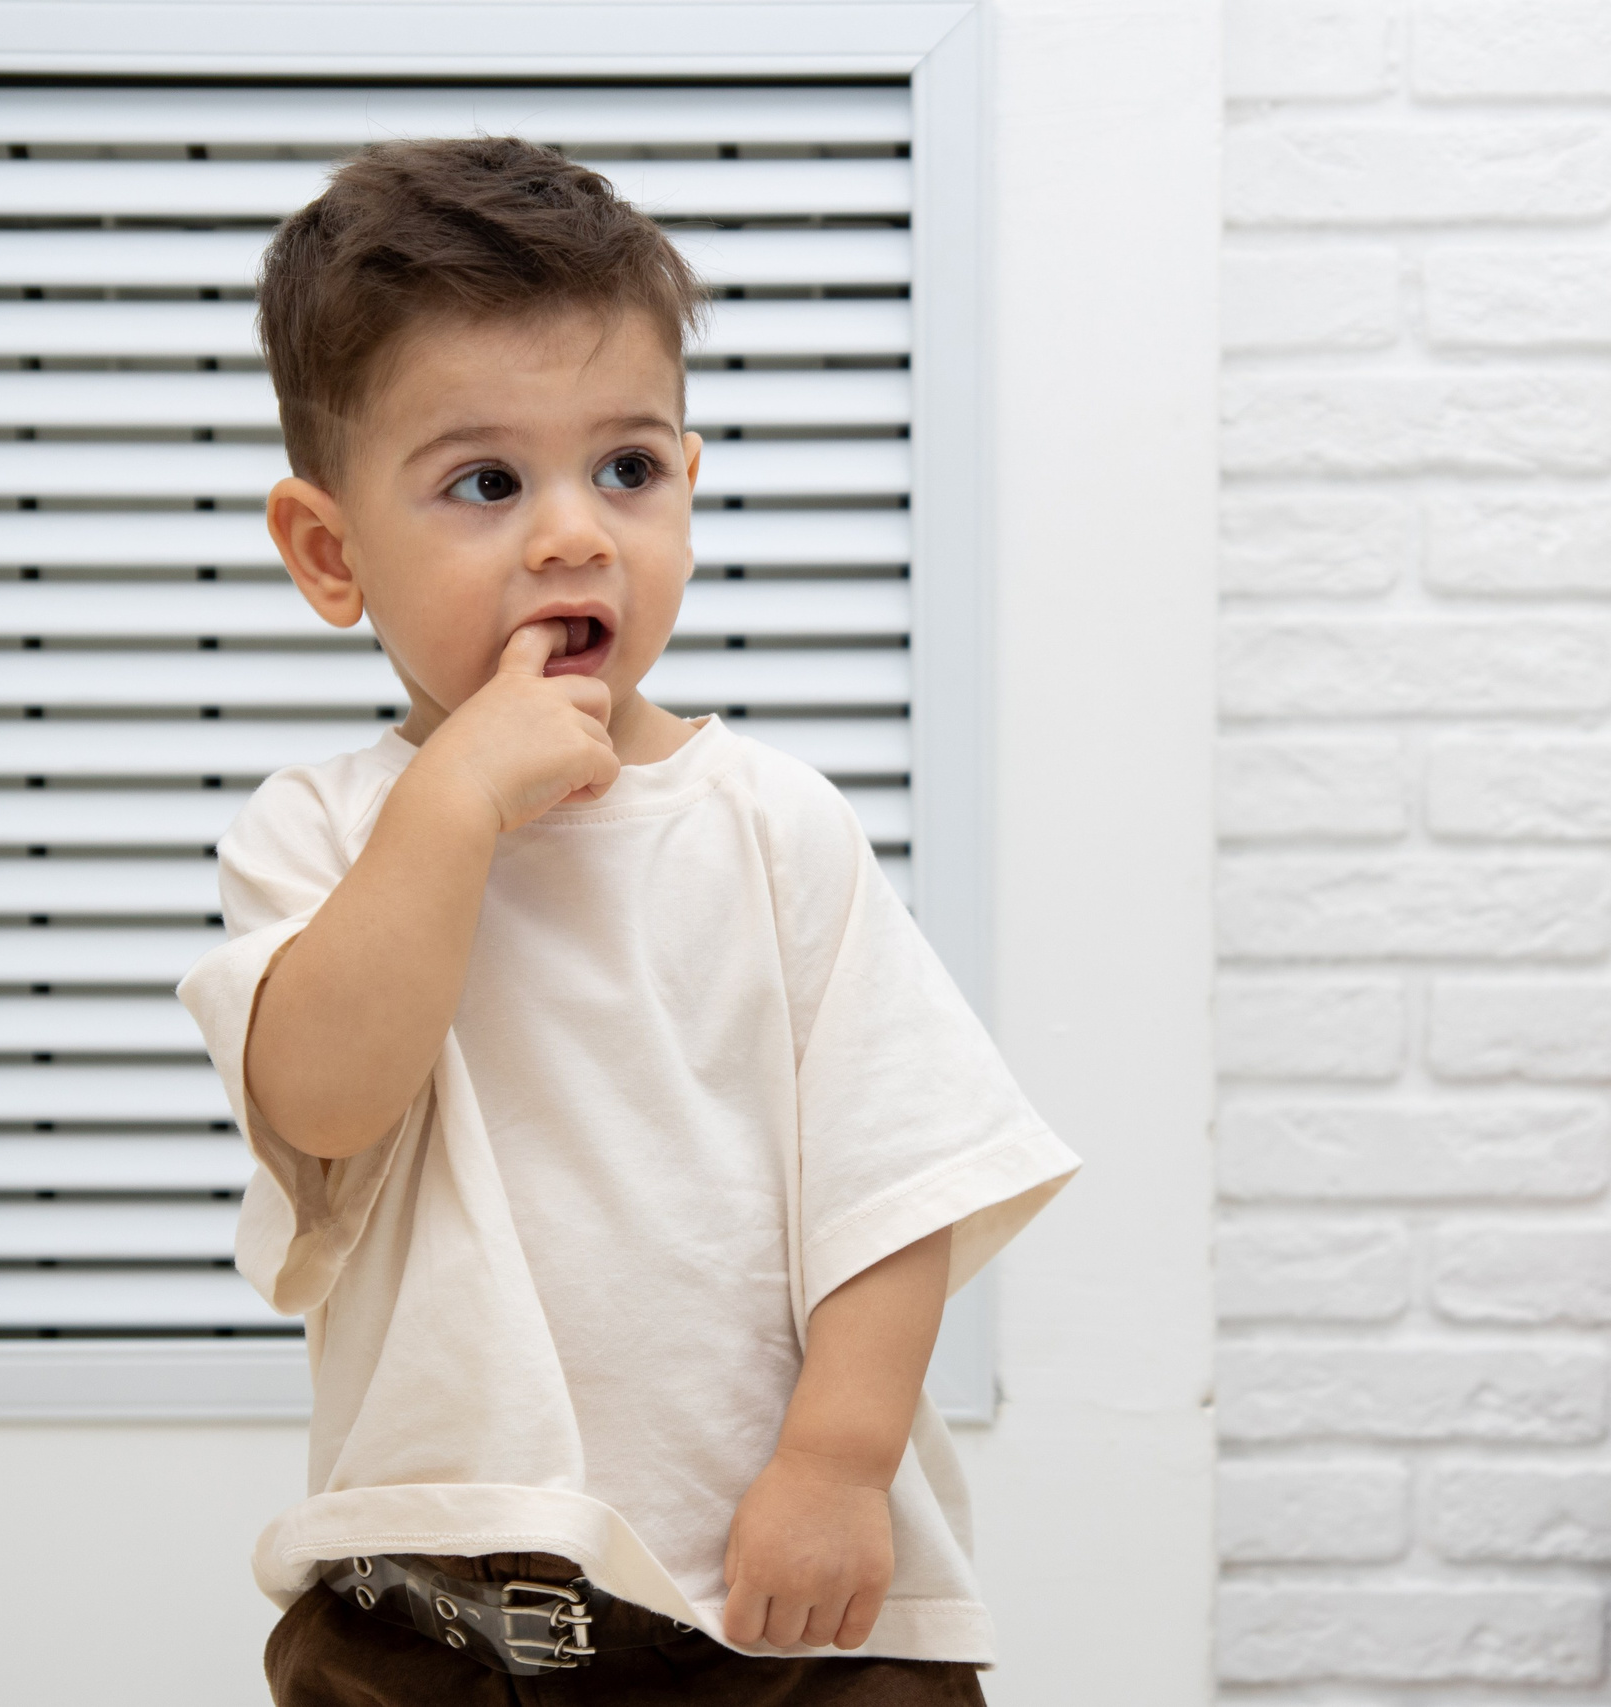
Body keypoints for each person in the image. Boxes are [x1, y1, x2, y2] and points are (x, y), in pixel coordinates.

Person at [177, 136, 1079, 1706]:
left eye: (627, 469)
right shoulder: (315, 836)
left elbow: (901, 1178)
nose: (575, 534)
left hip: (771, 1579)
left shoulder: (768, 823)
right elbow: (324, 1098)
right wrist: (452, 806)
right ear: (332, 554)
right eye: (483, 483)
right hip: (437, 1592)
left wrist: (839, 1463)